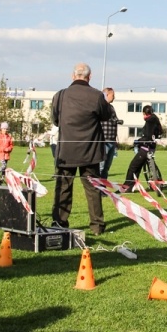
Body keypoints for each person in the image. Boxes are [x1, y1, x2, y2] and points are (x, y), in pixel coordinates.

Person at [51, 62, 112, 234]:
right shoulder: (97, 95)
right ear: (89, 77)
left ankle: (59, 223)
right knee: (93, 190)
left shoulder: (60, 95)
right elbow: (106, 115)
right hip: (90, 151)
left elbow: (55, 120)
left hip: (66, 151)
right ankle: (97, 226)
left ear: (73, 76)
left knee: (63, 188)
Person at [123, 105, 163, 186]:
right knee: (139, 166)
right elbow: (159, 133)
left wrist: (138, 141)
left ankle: (127, 186)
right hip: (152, 147)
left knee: (133, 166)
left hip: (145, 148)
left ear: (144, 113)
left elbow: (147, 136)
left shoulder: (149, 122)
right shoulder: (156, 120)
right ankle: (133, 185)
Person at [100, 87, 123, 179]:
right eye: (112, 95)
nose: (114, 97)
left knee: (106, 167)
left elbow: (114, 120)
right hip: (103, 141)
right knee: (101, 167)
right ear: (106, 95)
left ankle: (103, 186)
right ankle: (97, 186)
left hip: (112, 140)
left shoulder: (111, 107)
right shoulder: (100, 106)